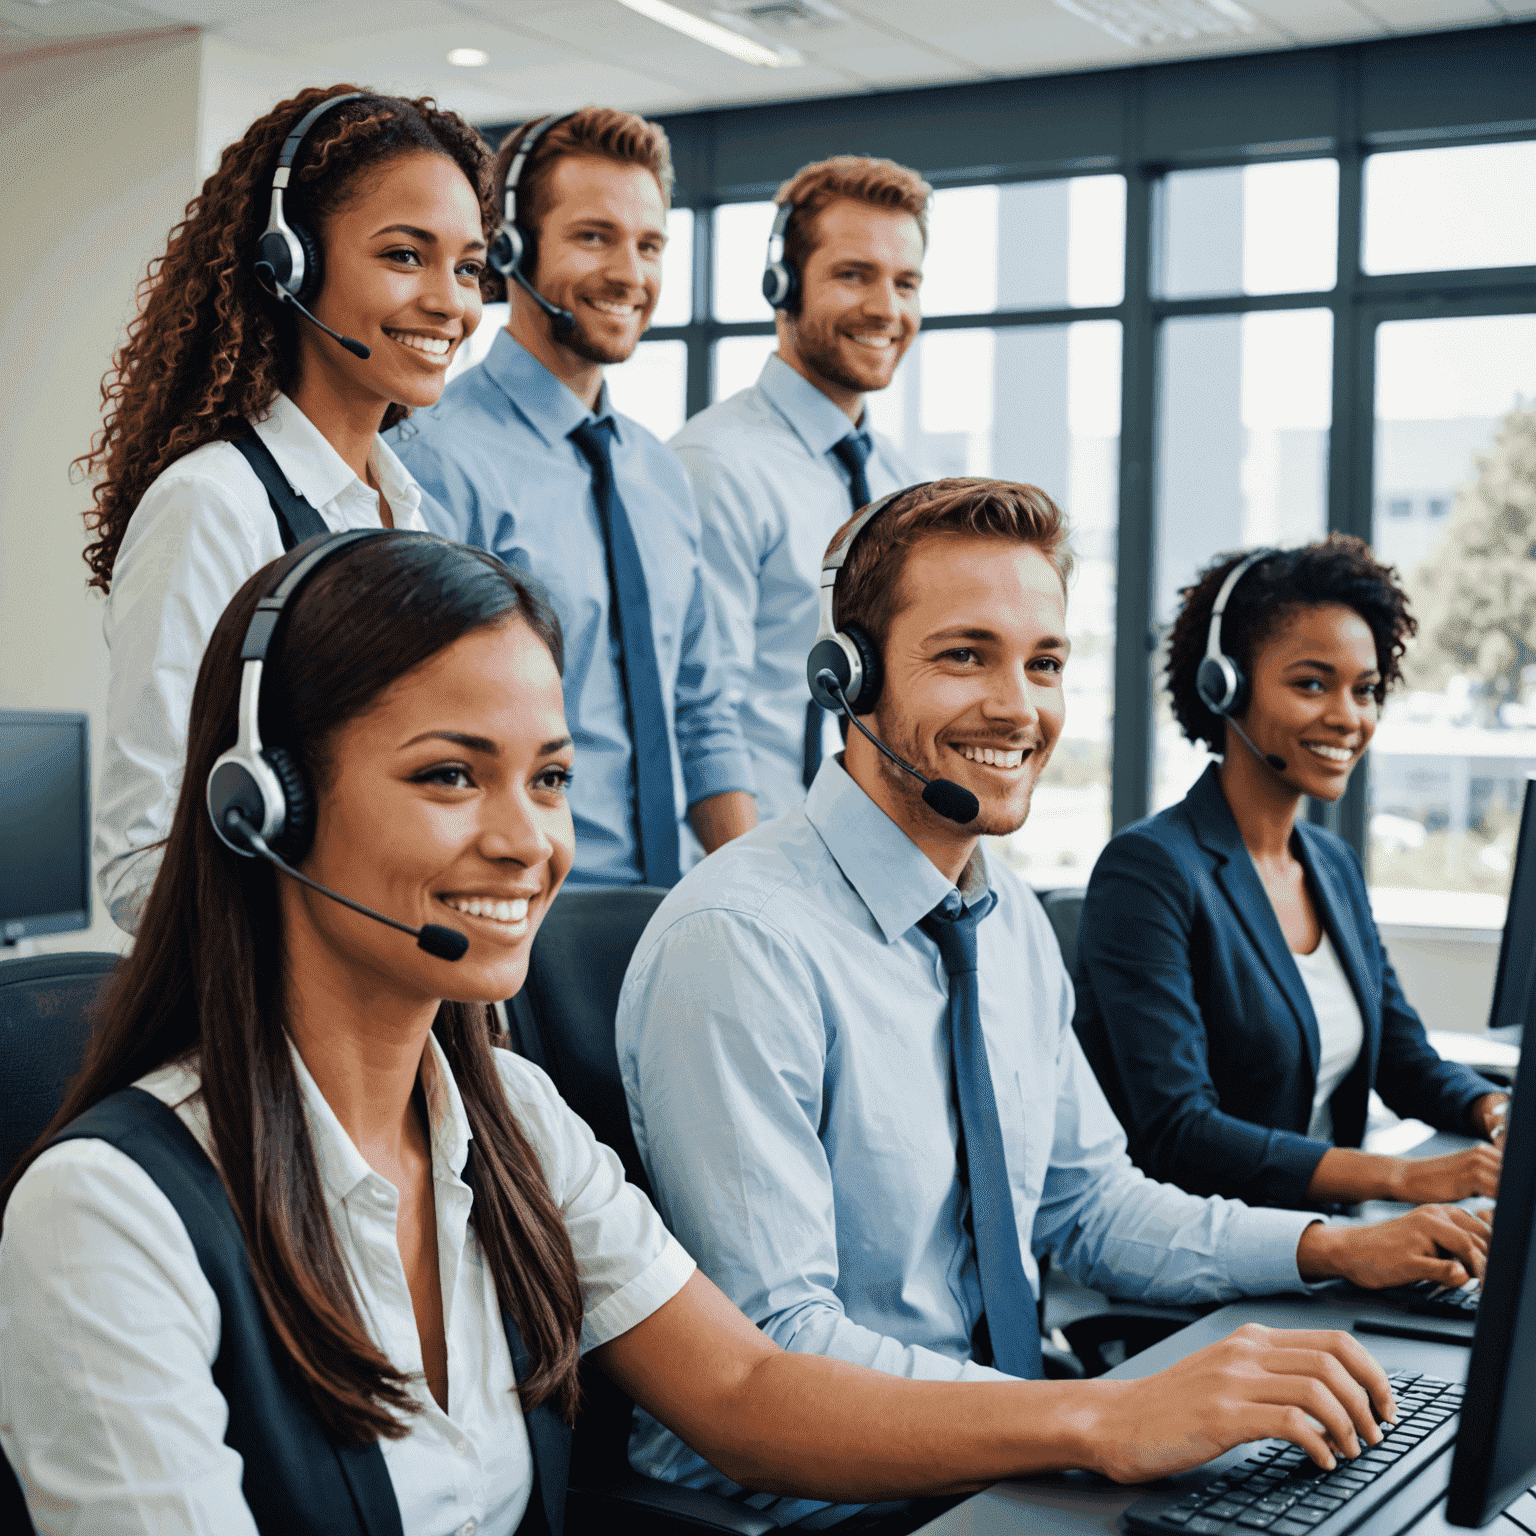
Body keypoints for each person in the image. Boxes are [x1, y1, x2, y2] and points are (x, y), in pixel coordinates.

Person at [0, 532, 1399, 1536]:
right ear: (263, 809)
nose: (526, 840)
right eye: (448, 776)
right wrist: (1096, 1420)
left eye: (548, 777)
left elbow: (736, 1378)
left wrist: (1106, 1419)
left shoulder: (511, 1122)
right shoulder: (110, 1222)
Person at [615, 481, 1491, 1529]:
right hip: (823, 1502)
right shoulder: (743, 944)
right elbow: (780, 1349)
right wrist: (1099, 1417)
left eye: (1043, 664)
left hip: (1014, 1459)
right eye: (963, 655)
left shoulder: (1005, 917)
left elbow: (1088, 1207)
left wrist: (1327, 1249)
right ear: (843, 674)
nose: (1018, 708)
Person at [87, 85, 496, 934]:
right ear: (289, 264)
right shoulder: (214, 504)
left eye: (468, 267)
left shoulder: (405, 515)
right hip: (276, 1027)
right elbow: (141, 862)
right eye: (403, 256)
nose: (451, 303)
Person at [1071, 538, 1507, 1212]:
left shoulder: (1330, 866)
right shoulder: (1150, 872)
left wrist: (1494, 1111)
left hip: (1339, 1247)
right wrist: (1401, 1181)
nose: (1348, 717)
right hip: (1202, 1272)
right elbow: (1181, 1131)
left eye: (1365, 690)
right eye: (1311, 683)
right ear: (1226, 686)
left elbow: (1403, 1059)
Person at [392, 108, 754, 888]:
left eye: (649, 245)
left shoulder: (659, 475)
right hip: (523, 898)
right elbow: (428, 727)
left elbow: (702, 715)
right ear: (510, 250)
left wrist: (757, 895)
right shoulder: (433, 458)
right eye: (595, 237)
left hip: (678, 903)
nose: (630, 274)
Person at [670, 156, 925, 820]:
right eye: (853, 275)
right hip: (765, 860)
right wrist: (748, 885)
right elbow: (701, 712)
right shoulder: (715, 467)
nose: (886, 309)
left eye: (906, 282)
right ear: (782, 285)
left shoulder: (901, 485)